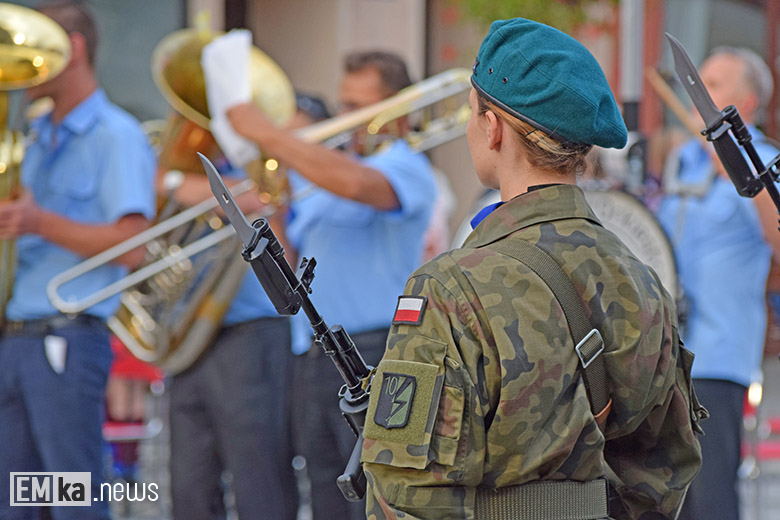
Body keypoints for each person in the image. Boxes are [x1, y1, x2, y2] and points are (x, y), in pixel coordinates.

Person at [360, 18, 704, 520]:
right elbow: (667, 467)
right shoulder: (642, 281)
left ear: (493, 125)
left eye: (472, 111)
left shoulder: (450, 287)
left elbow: (406, 493)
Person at [228, 51, 438, 520]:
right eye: (344, 106)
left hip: (377, 351)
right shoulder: (322, 177)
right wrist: (271, 210)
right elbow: (295, 263)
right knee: (325, 487)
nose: (349, 119)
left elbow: (361, 186)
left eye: (360, 106)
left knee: (379, 491)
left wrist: (268, 133)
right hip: (314, 352)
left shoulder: (407, 166)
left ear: (398, 111)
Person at [0, 2, 156, 519]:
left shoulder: (116, 134)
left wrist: (38, 222)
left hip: (66, 338)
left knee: (74, 499)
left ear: (75, 49)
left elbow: (133, 245)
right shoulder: (34, 136)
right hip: (19, 338)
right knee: (17, 501)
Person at [655, 46, 780, 520]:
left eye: (715, 83)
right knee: (666, 497)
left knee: (711, 497)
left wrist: (734, 165)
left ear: (744, 103)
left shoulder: (762, 160)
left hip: (719, 355)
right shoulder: (683, 159)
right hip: (666, 351)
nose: (697, 93)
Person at [163, 159, 296, 519]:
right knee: (189, 483)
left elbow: (261, 202)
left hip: (252, 334)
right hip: (189, 336)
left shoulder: (265, 163)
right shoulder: (197, 159)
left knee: (258, 476)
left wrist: (174, 181)